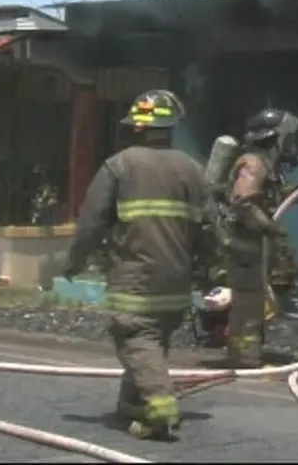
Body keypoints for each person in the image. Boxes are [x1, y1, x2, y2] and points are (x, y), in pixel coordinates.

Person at [62, 89, 209, 441]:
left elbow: (91, 223)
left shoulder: (120, 165)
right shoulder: (192, 169)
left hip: (135, 280)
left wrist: (74, 262)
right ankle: (132, 402)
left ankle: (160, 409)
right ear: (170, 128)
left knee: (136, 338)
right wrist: (208, 270)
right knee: (152, 341)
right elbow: (209, 227)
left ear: (137, 128)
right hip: (177, 281)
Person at [221, 107, 298, 368]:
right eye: (287, 138)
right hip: (245, 246)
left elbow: (262, 196)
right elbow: (243, 201)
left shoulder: (265, 164)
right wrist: (270, 228)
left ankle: (246, 354)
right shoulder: (254, 163)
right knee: (248, 304)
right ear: (275, 138)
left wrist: (293, 193)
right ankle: (244, 359)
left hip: (254, 246)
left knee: (255, 302)